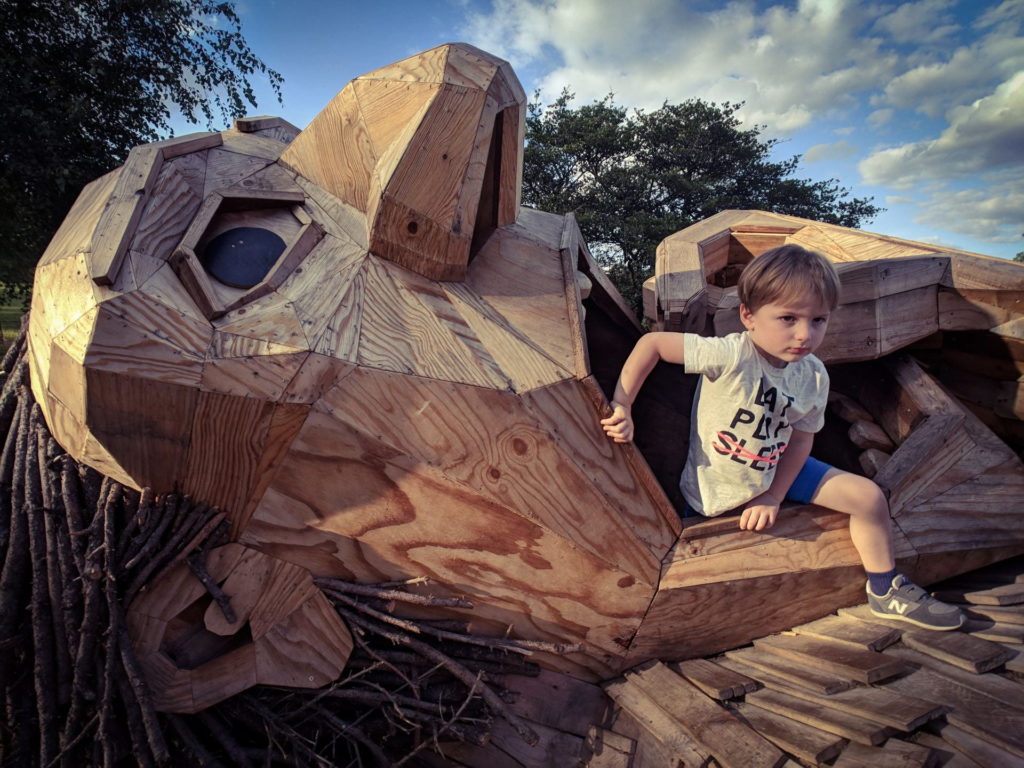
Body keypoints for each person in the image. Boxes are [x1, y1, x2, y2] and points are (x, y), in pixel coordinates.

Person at [601, 244, 963, 630]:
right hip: (719, 484)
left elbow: (802, 439)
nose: (805, 334)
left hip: (777, 468)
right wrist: (622, 405)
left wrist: (773, 493)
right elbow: (652, 345)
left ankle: (885, 588)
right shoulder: (730, 355)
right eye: (788, 318)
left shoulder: (814, 376)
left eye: (819, 320)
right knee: (707, 562)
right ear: (748, 316)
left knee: (868, 497)